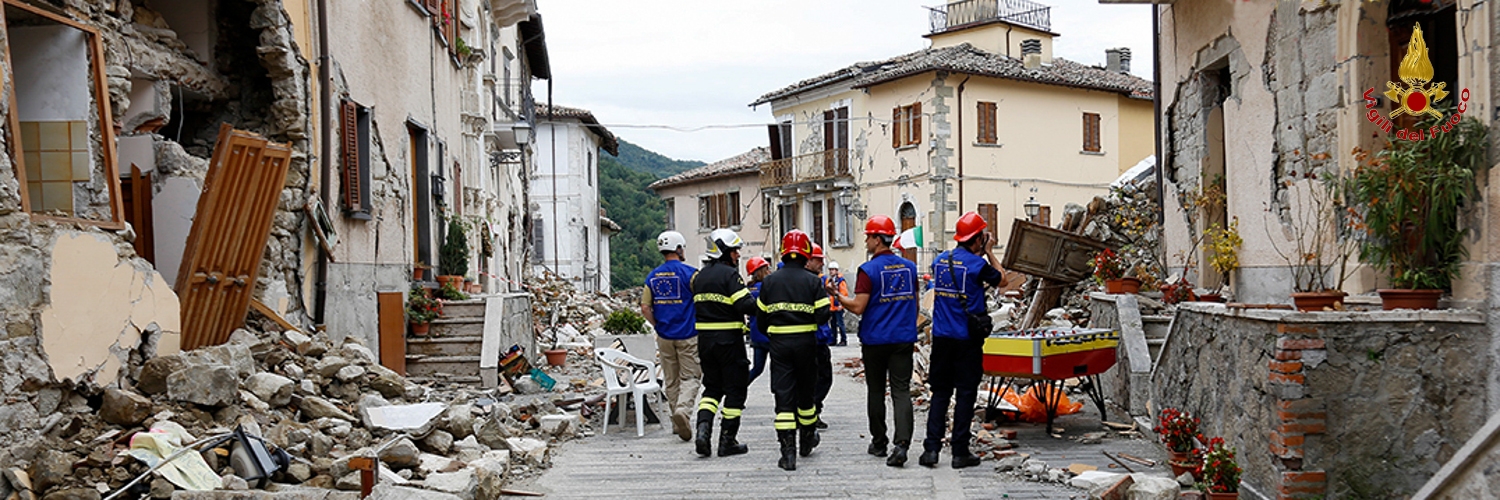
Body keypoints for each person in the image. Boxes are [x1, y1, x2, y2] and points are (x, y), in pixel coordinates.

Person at [828, 215, 919, 467]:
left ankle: (879, 442)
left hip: (876, 339)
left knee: (876, 391)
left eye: (868, 236)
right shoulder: (909, 268)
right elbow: (916, 303)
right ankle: (902, 445)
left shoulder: (868, 270)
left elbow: (858, 307)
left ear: (878, 239)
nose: (866, 240)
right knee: (901, 391)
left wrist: (837, 296)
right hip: (902, 338)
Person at [920, 211, 1008, 469]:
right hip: (967, 339)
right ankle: (960, 451)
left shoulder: (939, 260)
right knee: (966, 394)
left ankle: (931, 450)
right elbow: (1001, 278)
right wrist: (990, 251)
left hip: (942, 338)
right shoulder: (977, 265)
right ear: (979, 237)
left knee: (940, 393)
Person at [757, 230, 830, 471]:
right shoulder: (813, 281)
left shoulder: (769, 281)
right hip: (806, 344)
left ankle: (787, 454)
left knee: (784, 396)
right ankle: (807, 439)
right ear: (806, 253)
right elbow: (823, 314)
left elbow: (761, 320)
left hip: (779, 346)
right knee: (806, 395)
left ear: (784, 251)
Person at [689, 228, 759, 458]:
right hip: (729, 342)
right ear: (724, 251)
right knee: (736, 391)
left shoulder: (699, 277)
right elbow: (744, 306)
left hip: (705, 342)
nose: (738, 255)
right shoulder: (730, 276)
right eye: (734, 251)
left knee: (711, 388)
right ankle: (727, 440)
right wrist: (763, 303)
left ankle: (702, 431)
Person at [641, 231, 700, 442]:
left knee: (671, 379)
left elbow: (645, 307)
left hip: (664, 336)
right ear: (678, 248)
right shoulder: (691, 274)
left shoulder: (652, 276)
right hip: (688, 334)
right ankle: (683, 412)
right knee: (691, 377)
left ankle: (677, 423)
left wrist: (657, 325)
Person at [808, 244, 833, 429]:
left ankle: (811, 410)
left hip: (809, 338)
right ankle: (812, 411)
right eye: (819, 260)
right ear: (808, 260)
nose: (822, 264)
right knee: (822, 377)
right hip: (816, 338)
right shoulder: (813, 282)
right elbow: (824, 312)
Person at [744, 256, 773, 383]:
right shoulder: (767, 287)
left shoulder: (749, 288)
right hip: (769, 334)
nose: (769, 271)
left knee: (757, 369)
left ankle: (739, 389)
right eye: (767, 269)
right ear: (760, 271)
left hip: (756, 335)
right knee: (778, 367)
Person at [827, 262, 849, 346]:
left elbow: (844, 293)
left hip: (838, 306)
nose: (831, 271)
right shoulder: (830, 280)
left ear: (836, 270)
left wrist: (842, 304)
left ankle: (843, 340)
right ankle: (833, 339)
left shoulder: (840, 281)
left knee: (840, 324)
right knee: (833, 325)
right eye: (830, 270)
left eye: (833, 270)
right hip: (832, 306)